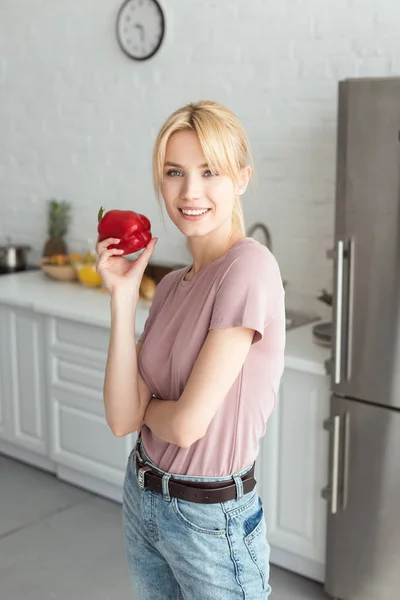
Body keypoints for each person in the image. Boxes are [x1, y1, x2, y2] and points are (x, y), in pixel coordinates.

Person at [96, 100, 286, 599]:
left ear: (241, 178)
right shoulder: (170, 286)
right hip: (143, 498)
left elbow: (186, 425)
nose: (190, 191)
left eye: (210, 171)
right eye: (174, 172)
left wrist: (148, 411)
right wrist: (121, 297)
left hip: (210, 521)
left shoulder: (250, 268)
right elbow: (120, 419)